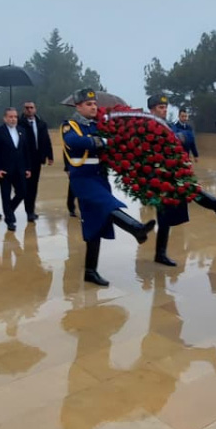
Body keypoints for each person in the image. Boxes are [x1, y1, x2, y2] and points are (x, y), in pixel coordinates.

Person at [62, 88, 156, 286]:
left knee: (94, 225)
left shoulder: (99, 125)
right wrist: (102, 141)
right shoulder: (70, 125)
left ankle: (90, 271)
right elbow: (74, 142)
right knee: (107, 205)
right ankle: (136, 228)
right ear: (78, 107)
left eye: (94, 104)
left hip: (99, 177)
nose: (93, 107)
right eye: (88, 104)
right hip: (83, 179)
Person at [147, 95, 216, 266]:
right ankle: (160, 254)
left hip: (170, 172)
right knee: (164, 215)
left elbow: (188, 138)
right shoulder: (148, 126)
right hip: (156, 176)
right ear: (152, 110)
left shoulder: (167, 125)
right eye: (160, 107)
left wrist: (179, 138)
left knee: (188, 189)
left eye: (165, 107)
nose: (164, 110)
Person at [0, 107, 34, 231]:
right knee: (5, 195)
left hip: (20, 169)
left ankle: (9, 210)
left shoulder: (21, 130)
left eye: (15, 117)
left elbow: (26, 151)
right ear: (5, 118)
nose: (13, 119)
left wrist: (28, 168)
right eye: (10, 117)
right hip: (5, 170)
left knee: (22, 192)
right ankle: (9, 220)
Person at [19, 101, 53, 222]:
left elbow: (46, 139)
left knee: (33, 186)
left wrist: (50, 156)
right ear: (24, 110)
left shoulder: (41, 123)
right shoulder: (19, 123)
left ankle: (30, 211)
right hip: (24, 160)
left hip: (37, 159)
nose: (29, 109)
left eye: (31, 107)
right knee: (25, 187)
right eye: (27, 108)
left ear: (35, 109)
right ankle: (16, 209)